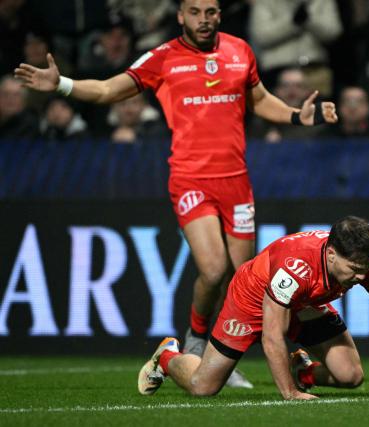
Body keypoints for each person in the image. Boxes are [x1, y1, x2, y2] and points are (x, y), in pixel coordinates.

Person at [15, 0, 338, 387]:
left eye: (211, 11)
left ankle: (226, 351)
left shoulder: (240, 51)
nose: (204, 19)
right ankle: (196, 342)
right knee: (214, 268)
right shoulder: (163, 58)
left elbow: (260, 100)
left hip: (236, 181)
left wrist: (294, 115)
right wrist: (62, 84)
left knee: (244, 276)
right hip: (191, 179)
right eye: (195, 11)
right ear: (181, 15)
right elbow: (107, 89)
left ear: (219, 15)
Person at [137, 216, 369, 399]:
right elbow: (273, 335)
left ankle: (304, 371)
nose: (361, 277)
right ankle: (167, 356)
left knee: (351, 376)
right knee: (202, 387)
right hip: (252, 301)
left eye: (364, 268)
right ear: (331, 255)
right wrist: (289, 394)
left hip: (305, 302)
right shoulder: (295, 268)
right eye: (354, 269)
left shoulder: (362, 263)